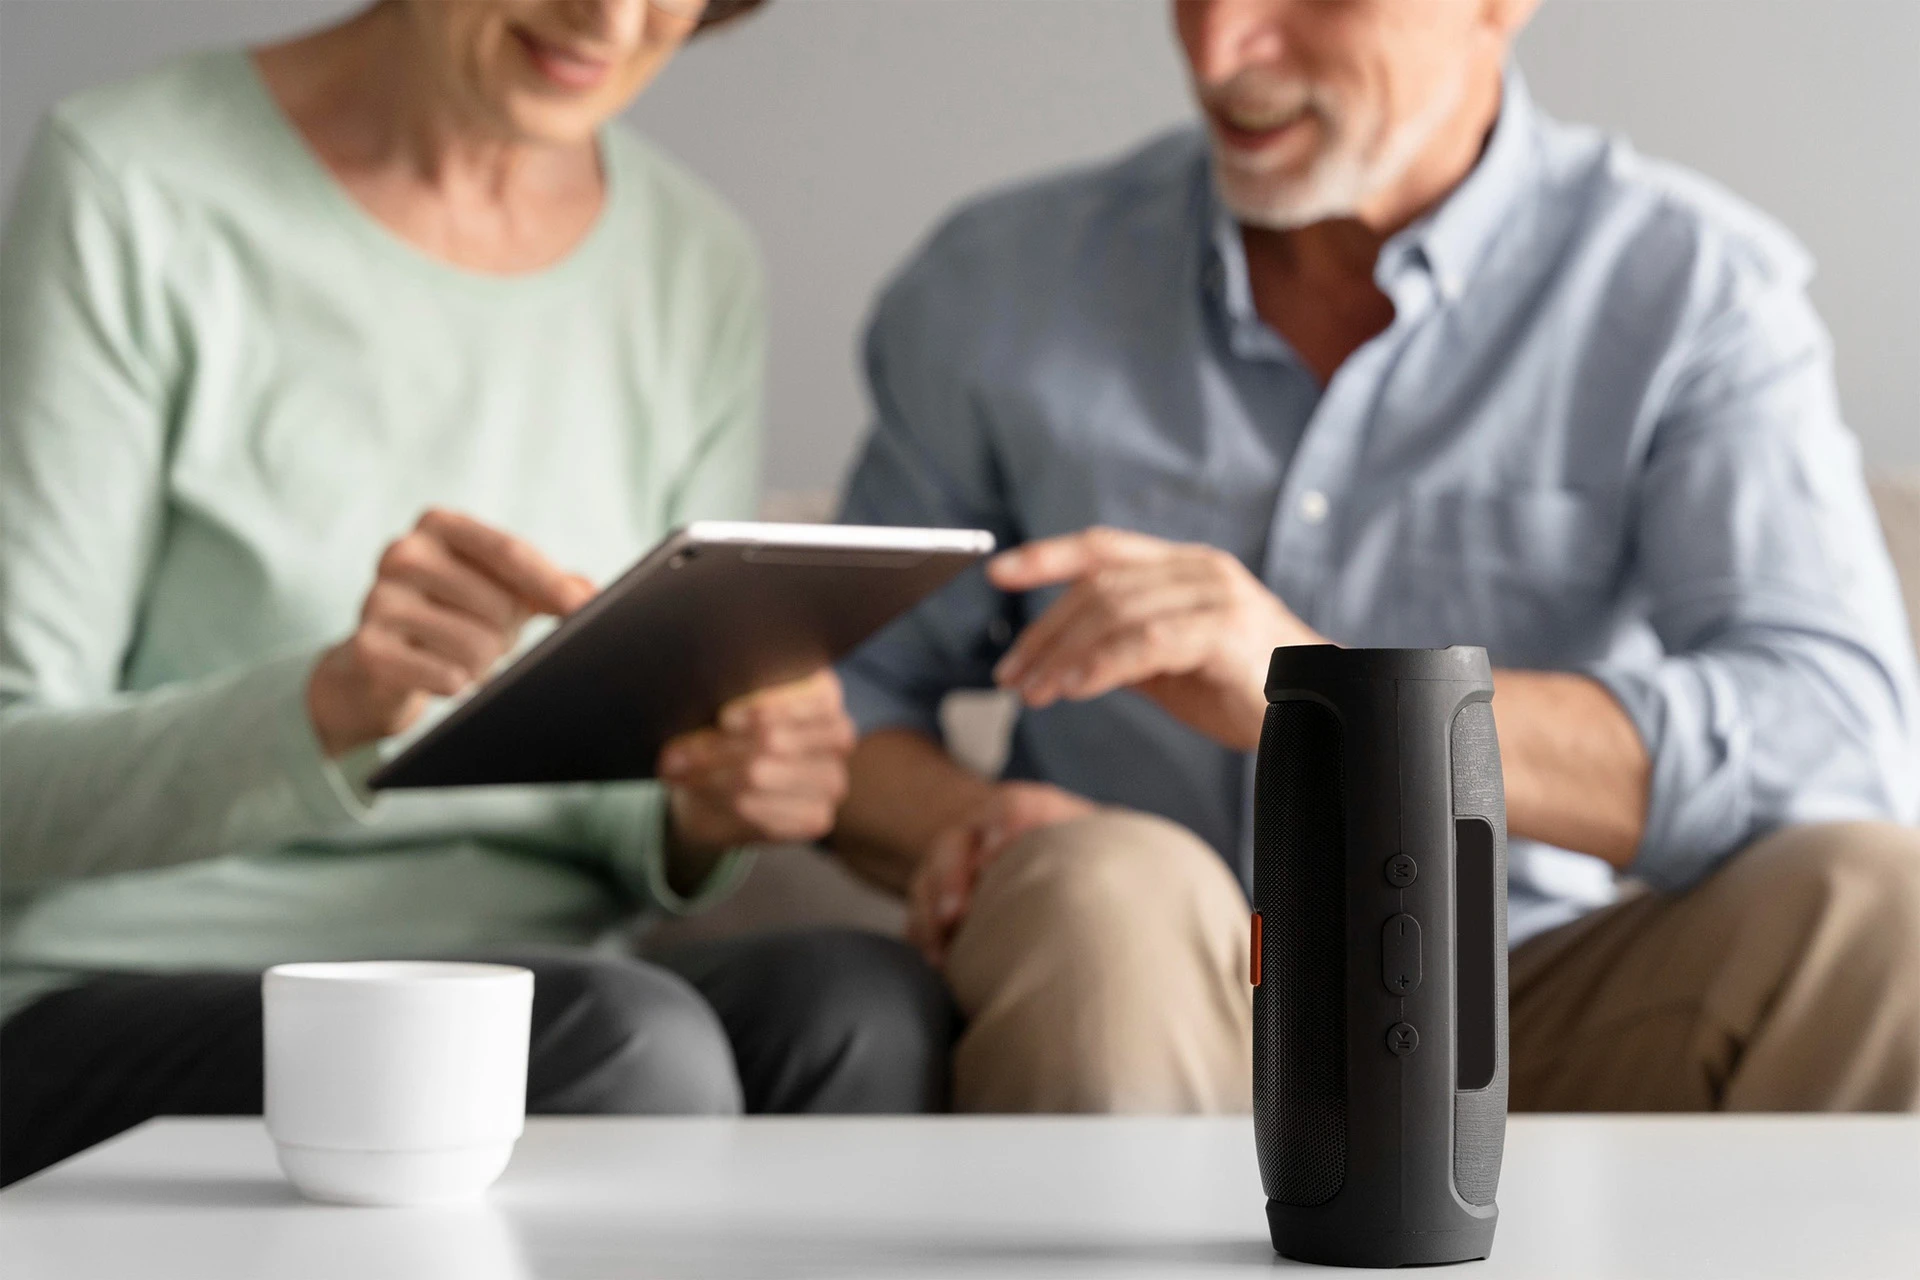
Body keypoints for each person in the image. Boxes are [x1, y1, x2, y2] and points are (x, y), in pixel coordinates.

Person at [829, 0, 1920, 1113]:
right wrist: (966, 829)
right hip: (1135, 975)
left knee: (1886, 907)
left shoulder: (1691, 291)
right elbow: (837, 698)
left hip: (1520, 1007)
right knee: (1102, 885)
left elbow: (1834, 734)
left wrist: (1334, 701)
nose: (1218, 50)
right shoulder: (997, 286)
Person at [0, 0, 951, 1187]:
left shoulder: (690, 259)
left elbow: (632, 772)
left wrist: (702, 801)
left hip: (544, 983)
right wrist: (327, 707)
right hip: (126, 993)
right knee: (619, 1046)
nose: (611, 18)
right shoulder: (133, 181)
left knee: (862, 1008)